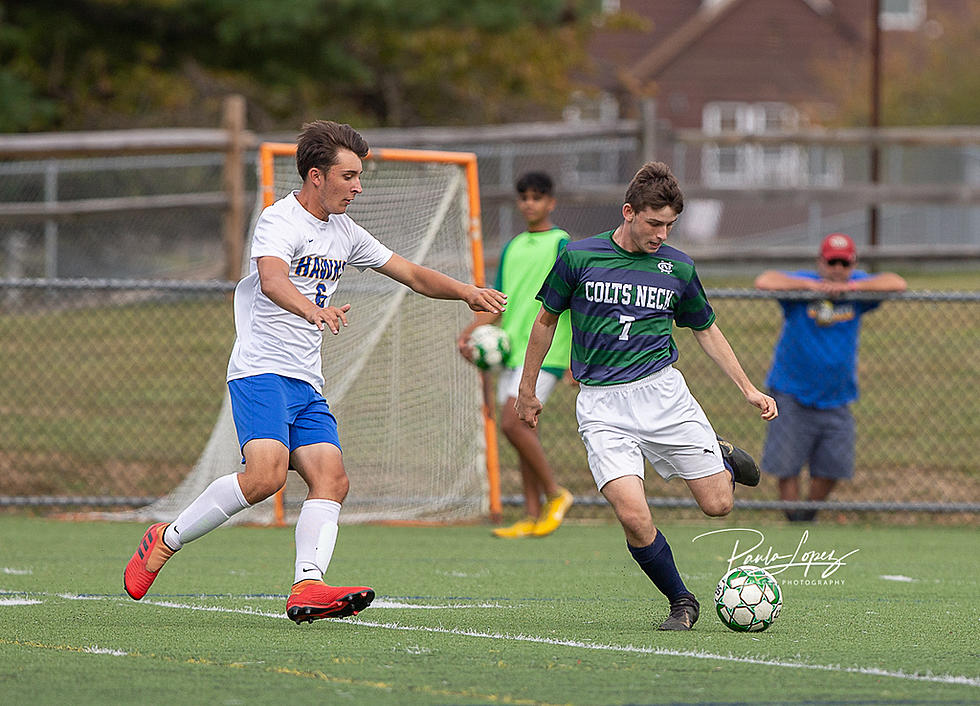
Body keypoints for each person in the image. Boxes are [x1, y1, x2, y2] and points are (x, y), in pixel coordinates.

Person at [124, 120, 507, 623]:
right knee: (264, 478)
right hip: (260, 372)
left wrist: (466, 292)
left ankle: (308, 585)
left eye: (359, 176)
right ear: (315, 176)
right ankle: (165, 539)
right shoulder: (279, 221)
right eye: (348, 176)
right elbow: (272, 279)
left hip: (306, 381)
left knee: (332, 479)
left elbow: (410, 273)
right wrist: (313, 310)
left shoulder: (345, 232)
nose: (358, 186)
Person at [515, 161, 777, 631]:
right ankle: (681, 601)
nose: (661, 234)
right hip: (601, 405)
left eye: (669, 225)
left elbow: (707, 331)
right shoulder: (579, 257)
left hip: (663, 396)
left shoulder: (677, 267)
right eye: (654, 223)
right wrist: (527, 390)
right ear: (629, 211)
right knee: (633, 516)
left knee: (718, 504)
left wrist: (749, 390)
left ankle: (717, 453)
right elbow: (545, 321)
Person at [754, 233, 906, 522]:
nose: (837, 268)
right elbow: (765, 280)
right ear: (820, 262)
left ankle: (807, 515)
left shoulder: (856, 287)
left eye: (844, 263)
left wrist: (851, 287)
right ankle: (793, 521)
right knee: (787, 466)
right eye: (831, 262)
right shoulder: (804, 283)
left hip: (837, 397)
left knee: (833, 467)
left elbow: (897, 283)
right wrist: (812, 287)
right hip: (792, 391)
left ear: (853, 264)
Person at [458, 172, 574, 539]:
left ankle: (557, 494)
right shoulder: (512, 247)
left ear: (551, 203)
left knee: (512, 423)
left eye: (537, 197)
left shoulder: (563, 244)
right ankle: (531, 513)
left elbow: (578, 301)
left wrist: (578, 357)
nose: (529, 204)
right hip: (512, 352)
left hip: (549, 352)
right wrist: (471, 333)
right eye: (523, 197)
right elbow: (500, 302)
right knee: (520, 428)